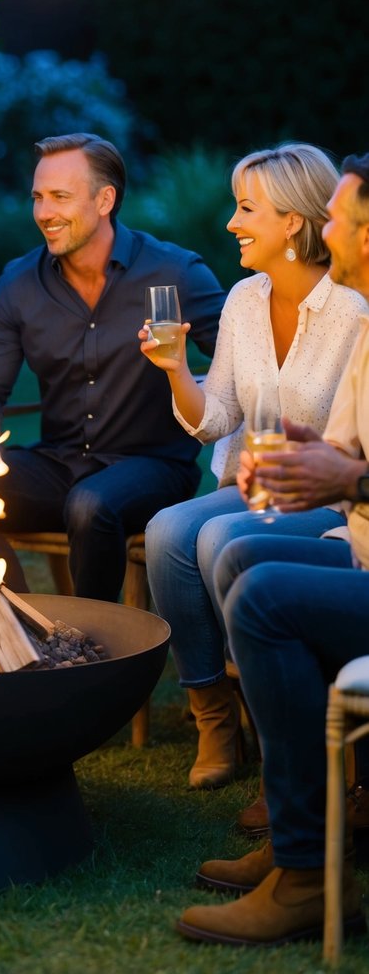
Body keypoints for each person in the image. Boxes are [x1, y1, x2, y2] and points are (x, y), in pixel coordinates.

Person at [176, 154, 369, 948]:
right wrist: (311, 455)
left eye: (336, 218)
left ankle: (305, 873)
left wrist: (348, 477)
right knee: (236, 560)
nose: (325, 228)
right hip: (359, 546)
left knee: (262, 595)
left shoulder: (353, 316)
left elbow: (356, 469)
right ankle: (315, 827)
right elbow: (345, 447)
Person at [142, 144, 366, 790]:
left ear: (292, 221)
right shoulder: (243, 299)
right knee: (166, 530)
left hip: (324, 495)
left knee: (218, 537)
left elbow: (349, 446)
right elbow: (215, 419)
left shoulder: (353, 311)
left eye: (245, 209)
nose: (230, 223)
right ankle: (213, 715)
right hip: (252, 482)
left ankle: (273, 721)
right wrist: (175, 370)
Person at [0, 132, 225, 601]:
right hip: (59, 463)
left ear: (105, 200)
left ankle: (93, 638)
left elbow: (246, 355)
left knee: (91, 504)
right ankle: (19, 623)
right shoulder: (19, 283)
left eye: (60, 197)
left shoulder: (175, 273)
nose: (44, 212)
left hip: (154, 466)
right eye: (37, 197)